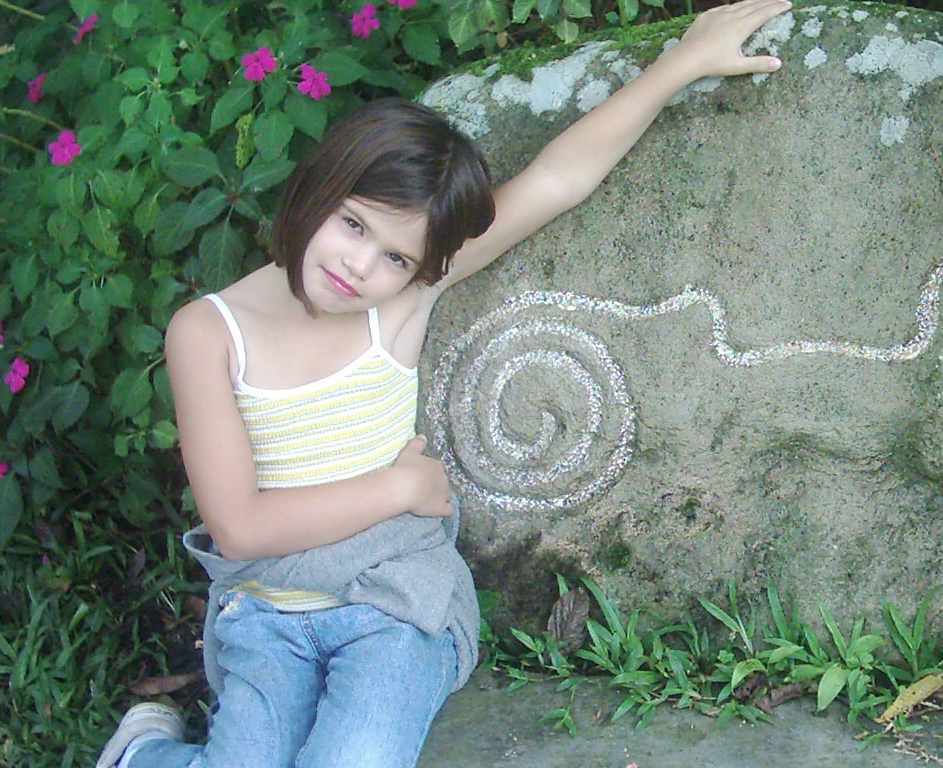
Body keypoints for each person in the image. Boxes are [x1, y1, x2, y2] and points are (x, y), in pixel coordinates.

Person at [95, 2, 791, 765]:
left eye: (396, 256)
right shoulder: (207, 332)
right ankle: (144, 753)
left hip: (393, 603)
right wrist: (399, 490)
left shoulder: (398, 303)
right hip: (267, 611)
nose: (360, 265)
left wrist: (680, 65)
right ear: (318, 186)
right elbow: (242, 528)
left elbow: (556, 179)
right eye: (354, 224)